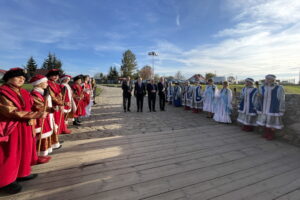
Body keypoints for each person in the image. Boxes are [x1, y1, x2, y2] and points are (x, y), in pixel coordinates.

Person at [0, 68, 47, 194]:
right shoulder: (3, 92)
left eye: (23, 78)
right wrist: (35, 115)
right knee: (10, 153)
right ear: (8, 78)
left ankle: (22, 173)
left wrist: (41, 108)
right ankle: (5, 182)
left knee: (25, 151)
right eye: (18, 77)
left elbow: (31, 104)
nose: (22, 79)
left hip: (26, 126)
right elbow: (10, 111)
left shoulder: (24, 92)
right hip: (12, 127)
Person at [30, 75, 57, 164]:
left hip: (46, 116)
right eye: (45, 82)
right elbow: (38, 106)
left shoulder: (42, 92)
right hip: (40, 117)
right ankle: (37, 154)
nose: (47, 84)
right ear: (39, 84)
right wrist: (50, 109)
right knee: (41, 135)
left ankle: (42, 153)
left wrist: (50, 108)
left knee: (46, 134)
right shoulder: (35, 93)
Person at [256, 74, 285, 140]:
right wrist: (259, 96)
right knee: (265, 121)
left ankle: (271, 135)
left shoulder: (279, 88)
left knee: (272, 123)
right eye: (266, 78)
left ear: (272, 80)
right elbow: (260, 97)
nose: (266, 80)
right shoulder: (262, 87)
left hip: (273, 108)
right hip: (264, 107)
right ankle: (266, 133)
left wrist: (281, 108)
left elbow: (281, 99)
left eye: (268, 79)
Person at [47, 69, 71, 135]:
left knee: (60, 116)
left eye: (57, 76)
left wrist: (62, 102)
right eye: (54, 75)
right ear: (50, 76)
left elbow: (60, 94)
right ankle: (56, 131)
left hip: (58, 103)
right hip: (53, 104)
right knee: (55, 118)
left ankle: (61, 129)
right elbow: (52, 96)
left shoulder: (56, 84)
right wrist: (61, 103)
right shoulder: (48, 84)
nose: (56, 77)